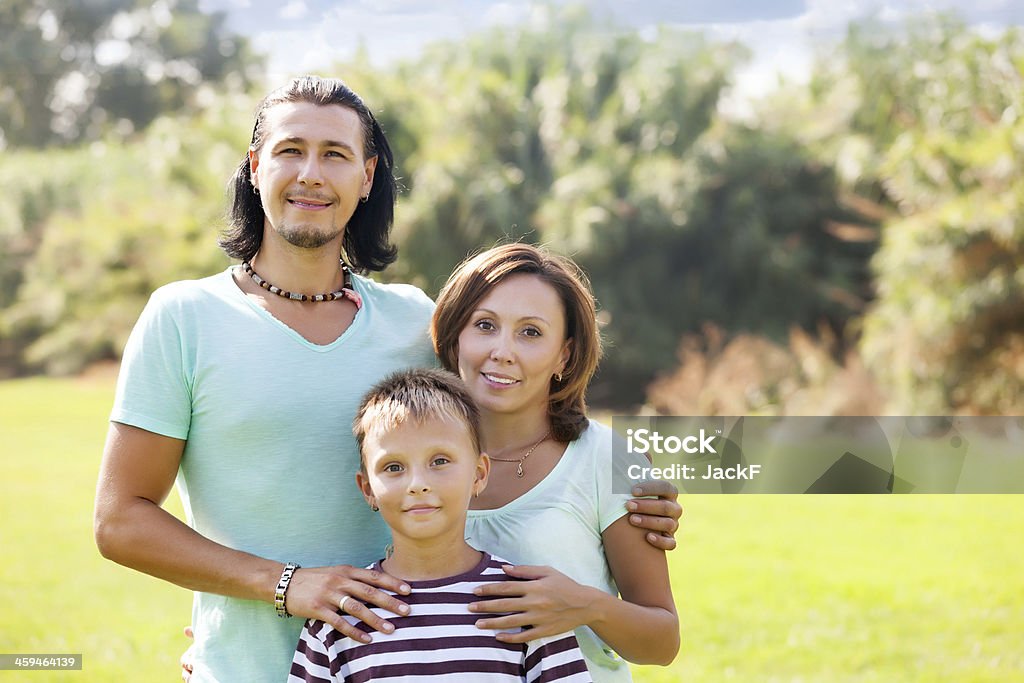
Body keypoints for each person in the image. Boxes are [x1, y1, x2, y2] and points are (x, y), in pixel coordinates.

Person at [93, 75, 680, 682]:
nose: (312, 174)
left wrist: (639, 477)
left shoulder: (415, 323)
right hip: (248, 668)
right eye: (291, 150)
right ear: (254, 166)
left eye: (336, 155)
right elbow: (119, 521)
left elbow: (519, 417)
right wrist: (282, 586)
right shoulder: (183, 317)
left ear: (366, 177)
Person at [432, 243, 680, 680]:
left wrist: (586, 605)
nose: (502, 351)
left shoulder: (611, 460)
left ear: (564, 355)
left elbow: (662, 642)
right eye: (485, 325)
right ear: (455, 338)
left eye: (531, 332)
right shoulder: (409, 460)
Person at [290, 368, 593, 682]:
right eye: (393, 467)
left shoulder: (526, 605)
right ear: (368, 489)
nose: (418, 484)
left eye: (439, 461)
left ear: (478, 474)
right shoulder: (339, 619)